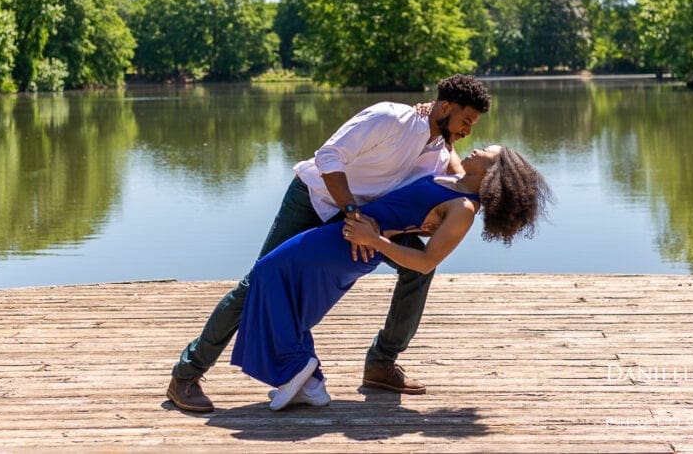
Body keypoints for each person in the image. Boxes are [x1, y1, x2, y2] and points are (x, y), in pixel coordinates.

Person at [167, 74, 492, 413]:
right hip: (315, 200)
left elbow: (461, 188)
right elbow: (329, 156)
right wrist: (351, 212)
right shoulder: (390, 118)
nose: (469, 130)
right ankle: (186, 376)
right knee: (257, 283)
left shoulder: (440, 151)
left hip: (367, 219)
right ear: (444, 106)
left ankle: (381, 364)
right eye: (466, 120)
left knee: (420, 267)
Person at [231, 144, 550, 410]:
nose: (477, 148)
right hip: (350, 235)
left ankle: (299, 368)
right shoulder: (457, 179)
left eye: (486, 153)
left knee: (268, 271)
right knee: (290, 293)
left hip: (355, 245)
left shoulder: (463, 209)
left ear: (492, 173)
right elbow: (446, 140)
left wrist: (374, 241)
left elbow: (426, 262)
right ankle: (310, 385)